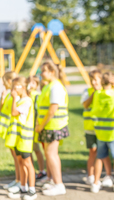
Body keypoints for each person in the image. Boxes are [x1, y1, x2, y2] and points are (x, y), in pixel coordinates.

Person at [35, 60, 69, 196]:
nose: (41, 74)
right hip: (50, 126)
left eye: (43, 71)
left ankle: (59, 185)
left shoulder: (56, 87)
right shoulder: (50, 86)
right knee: (50, 155)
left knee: (51, 154)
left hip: (54, 126)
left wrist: (40, 126)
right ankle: (55, 181)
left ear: (52, 72)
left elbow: (52, 110)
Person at [90, 72, 114, 193]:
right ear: (112, 82)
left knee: (100, 157)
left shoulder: (97, 93)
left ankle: (95, 183)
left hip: (101, 132)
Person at [5, 77, 37, 200]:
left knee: (28, 164)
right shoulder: (21, 100)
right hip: (19, 139)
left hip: (25, 139)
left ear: (23, 88)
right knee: (21, 162)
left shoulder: (27, 101)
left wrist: (13, 99)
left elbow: (14, 113)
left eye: (15, 87)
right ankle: (23, 187)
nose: (13, 90)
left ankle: (32, 190)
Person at [81, 69, 112, 187]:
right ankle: (90, 175)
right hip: (90, 129)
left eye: (96, 79)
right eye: (91, 80)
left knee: (103, 153)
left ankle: (108, 175)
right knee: (92, 152)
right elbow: (85, 104)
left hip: (102, 128)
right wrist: (94, 93)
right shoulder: (87, 91)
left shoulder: (106, 92)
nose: (93, 82)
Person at [1, 71, 21, 193]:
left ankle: (20, 181)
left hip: (14, 131)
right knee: (15, 158)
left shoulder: (16, 96)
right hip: (8, 131)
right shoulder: (9, 94)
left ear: (9, 81)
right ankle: (17, 179)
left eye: (3, 82)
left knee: (18, 158)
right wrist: (2, 99)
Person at [27, 76, 46, 180]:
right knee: (28, 150)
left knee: (37, 149)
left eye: (33, 83)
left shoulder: (37, 96)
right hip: (27, 128)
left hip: (34, 128)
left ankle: (42, 170)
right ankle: (31, 171)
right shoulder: (25, 95)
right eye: (29, 83)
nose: (30, 85)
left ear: (37, 85)